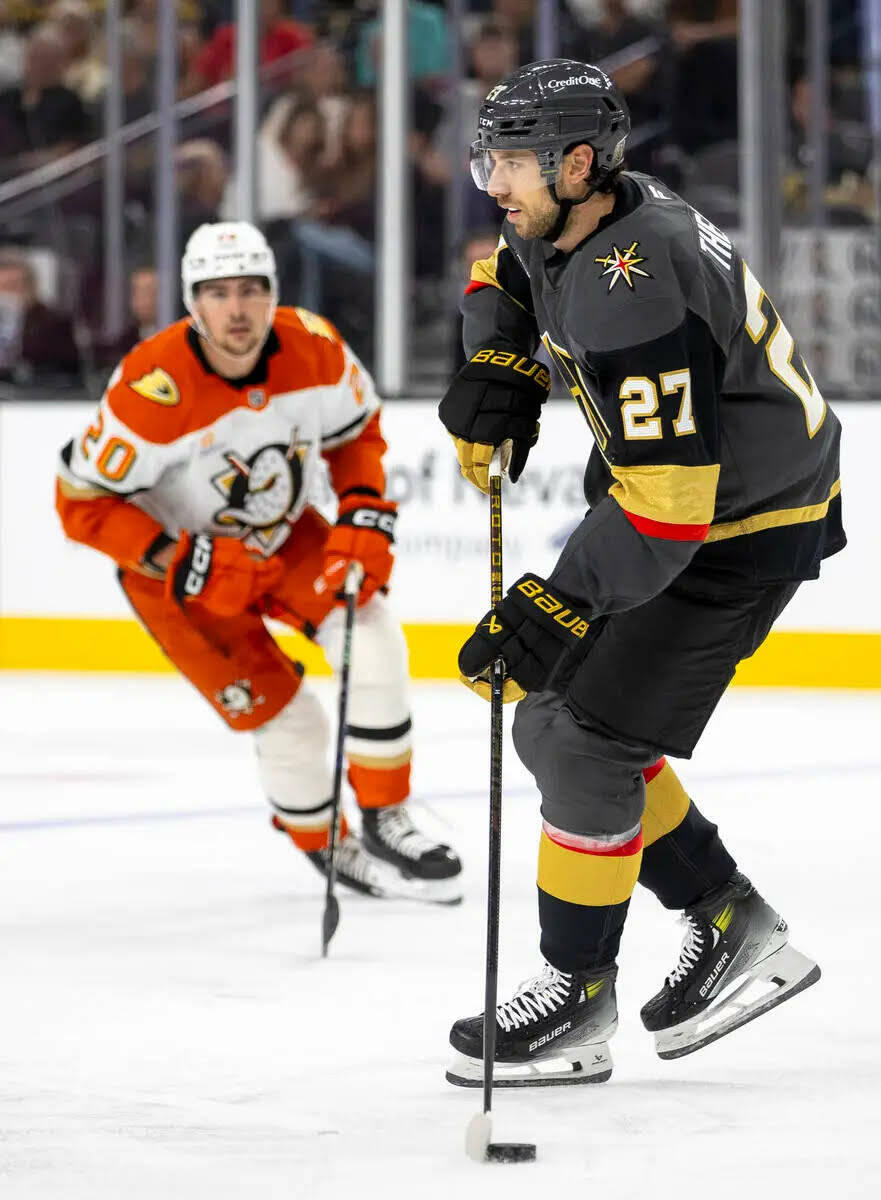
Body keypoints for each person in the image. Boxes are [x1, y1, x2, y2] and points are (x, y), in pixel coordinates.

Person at [438, 60, 844, 1086]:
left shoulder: (634, 280)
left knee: (574, 736)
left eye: (511, 161)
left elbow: (670, 508)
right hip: (699, 501)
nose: (492, 179)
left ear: (576, 163)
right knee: (558, 722)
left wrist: (556, 603)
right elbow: (500, 272)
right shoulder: (575, 214)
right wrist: (499, 362)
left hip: (739, 527)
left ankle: (577, 995)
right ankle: (729, 920)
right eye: (485, 156)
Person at [56, 220, 462, 905]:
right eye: (217, 293)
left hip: (284, 536)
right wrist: (176, 558)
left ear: (273, 292)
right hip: (178, 576)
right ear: (192, 301)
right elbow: (81, 503)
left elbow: (353, 432)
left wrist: (361, 508)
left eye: (250, 290)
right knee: (290, 718)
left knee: (372, 634)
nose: (236, 310)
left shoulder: (316, 348)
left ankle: (386, 812)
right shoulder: (150, 390)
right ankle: (325, 844)